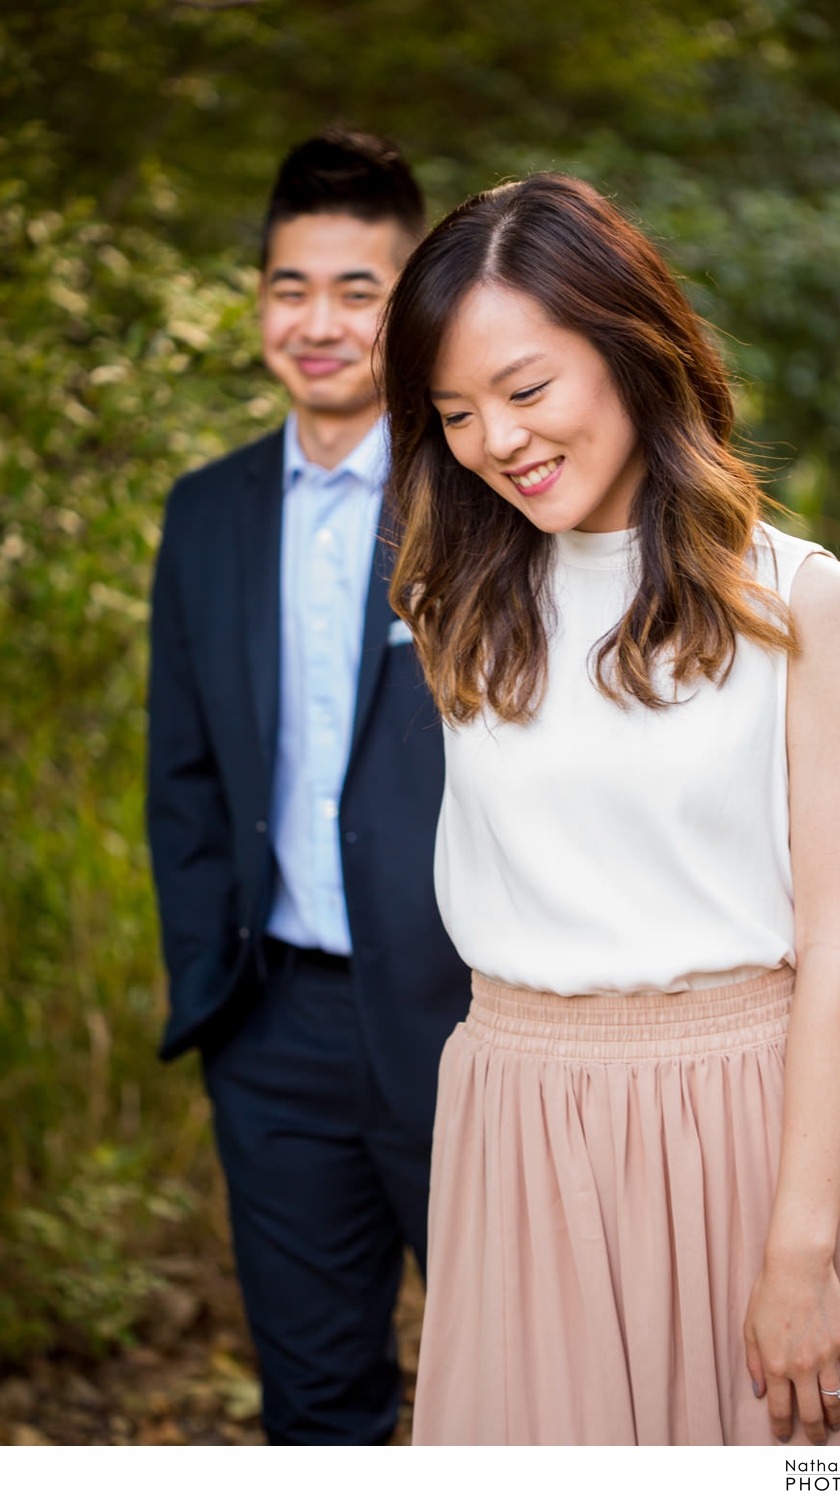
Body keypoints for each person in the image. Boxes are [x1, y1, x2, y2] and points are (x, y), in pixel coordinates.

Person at [380, 172, 840, 1445]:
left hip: (746, 1125)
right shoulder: (458, 606)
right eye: (455, 413)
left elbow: (839, 951)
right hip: (518, 1123)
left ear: (630, 346)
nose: (497, 441)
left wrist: (799, 1252)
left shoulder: (797, 598)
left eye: (526, 390)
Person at [147, 129, 469, 1445]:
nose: (319, 320)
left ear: (410, 312)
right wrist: (216, 999)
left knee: (529, 1398)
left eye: (359, 289)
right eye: (292, 285)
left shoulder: (485, 496)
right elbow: (184, 774)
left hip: (468, 1026)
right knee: (319, 1408)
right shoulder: (206, 511)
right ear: (262, 301)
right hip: (271, 1027)